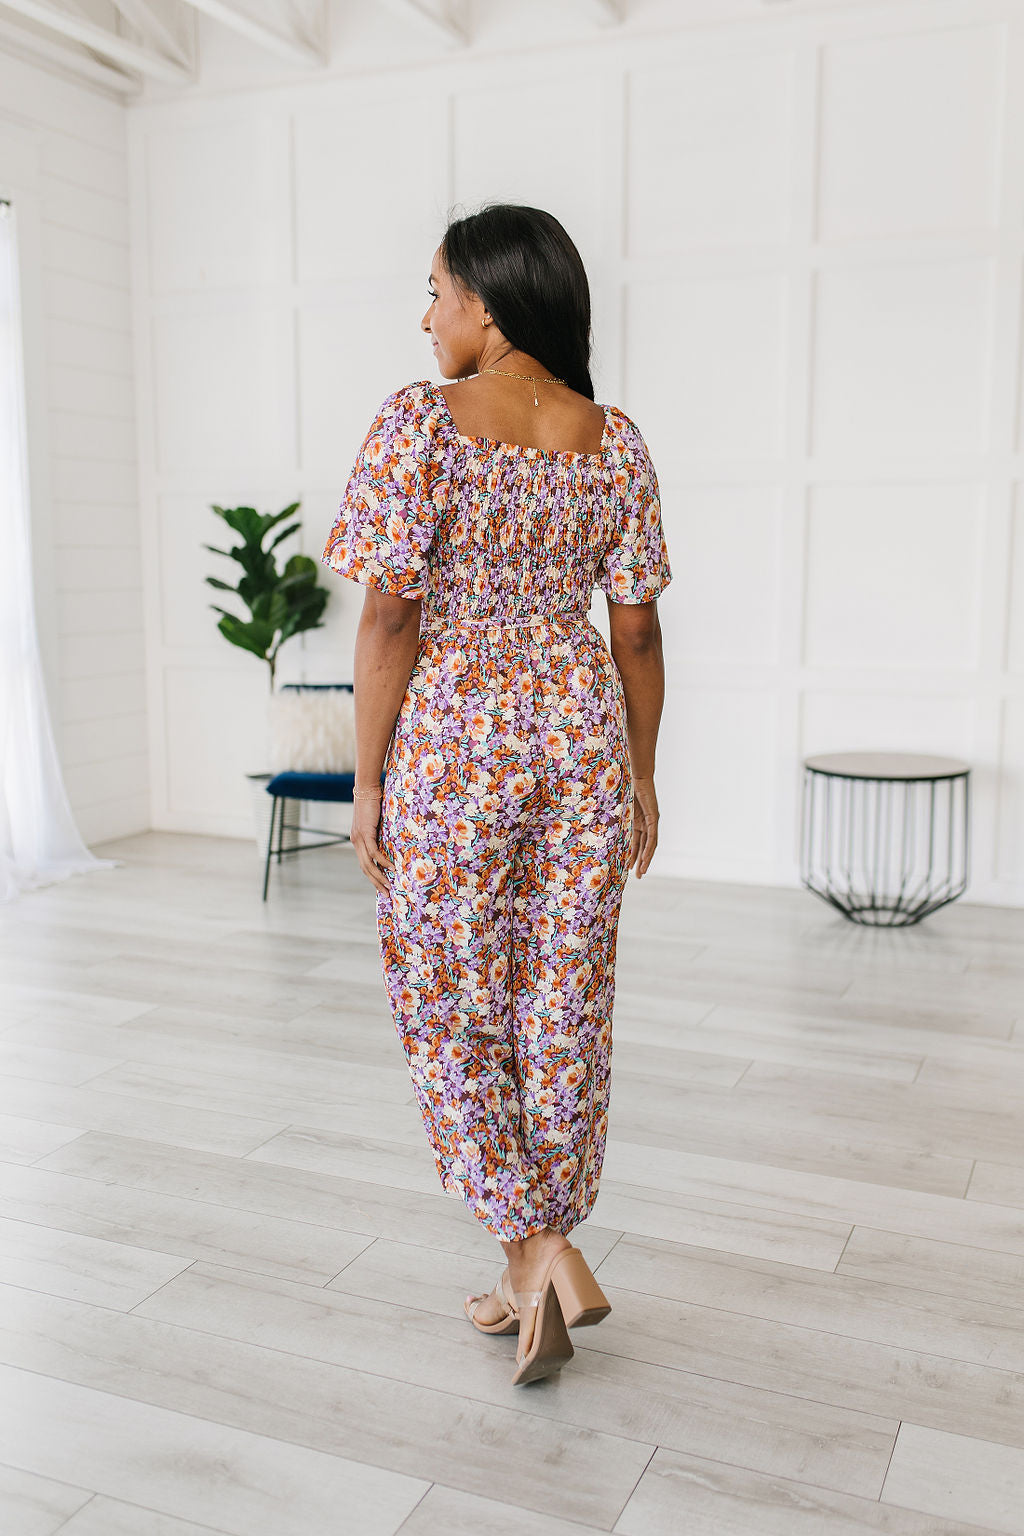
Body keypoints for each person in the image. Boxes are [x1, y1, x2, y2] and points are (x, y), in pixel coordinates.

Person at [320, 203, 670, 1386]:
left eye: (436, 292)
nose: (427, 317)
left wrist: (368, 779)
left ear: (489, 299)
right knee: (563, 999)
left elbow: (389, 617)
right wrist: (640, 774)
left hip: (456, 747)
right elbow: (635, 633)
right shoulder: (614, 441)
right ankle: (537, 1254)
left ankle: (533, 1246)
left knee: (450, 993)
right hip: (578, 739)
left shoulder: (421, 423)